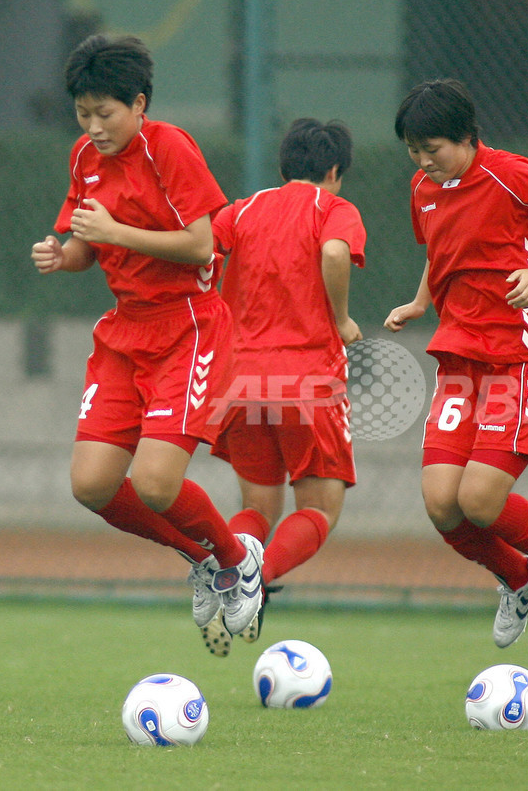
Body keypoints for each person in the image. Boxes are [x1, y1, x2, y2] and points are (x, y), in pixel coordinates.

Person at [30, 34, 264, 641]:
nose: (93, 126)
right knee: (92, 485)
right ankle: (202, 556)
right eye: (83, 113)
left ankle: (239, 563)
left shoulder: (170, 149)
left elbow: (200, 244)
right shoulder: (84, 156)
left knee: (157, 484)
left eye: (104, 113)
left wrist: (117, 230)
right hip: (124, 330)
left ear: (138, 104)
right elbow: (89, 242)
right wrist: (65, 254)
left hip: (187, 325)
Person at [384, 78, 528, 648]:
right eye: (415, 151)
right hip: (460, 360)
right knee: (443, 506)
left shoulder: (509, 174)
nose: (426, 162)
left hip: (519, 360)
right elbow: (439, 251)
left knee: (479, 501)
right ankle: (517, 576)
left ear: (469, 137)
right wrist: (421, 302)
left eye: (436, 149)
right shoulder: (422, 188)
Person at [199, 118, 366, 657]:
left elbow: (201, 251)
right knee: (320, 508)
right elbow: (336, 253)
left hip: (238, 379)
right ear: (335, 171)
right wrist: (341, 319)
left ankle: (225, 567)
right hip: (307, 381)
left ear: (282, 166)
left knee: (257, 505)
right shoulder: (333, 210)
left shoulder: (242, 209)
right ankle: (255, 575)